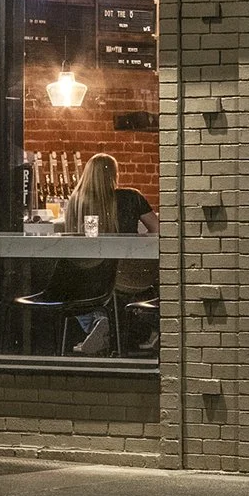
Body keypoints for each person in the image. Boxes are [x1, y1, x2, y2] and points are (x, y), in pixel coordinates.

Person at [61, 153, 155, 356]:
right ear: (114, 174)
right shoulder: (132, 197)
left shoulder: (76, 202)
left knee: (71, 286)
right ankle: (105, 326)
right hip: (131, 276)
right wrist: (136, 240)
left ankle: (96, 323)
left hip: (92, 276)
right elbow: (157, 230)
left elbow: (73, 243)